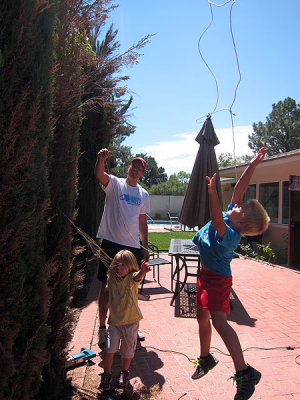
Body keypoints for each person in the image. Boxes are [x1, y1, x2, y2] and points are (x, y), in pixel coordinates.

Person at [191, 148, 270, 400]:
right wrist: (253, 164)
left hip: (218, 280)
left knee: (219, 322)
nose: (238, 203)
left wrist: (212, 192)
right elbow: (239, 189)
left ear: (243, 223)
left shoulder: (231, 234)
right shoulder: (231, 215)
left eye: (243, 207)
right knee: (201, 316)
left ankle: (245, 373)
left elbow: (215, 221)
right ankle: (205, 358)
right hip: (206, 275)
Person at [95, 148, 150, 348]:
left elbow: (142, 223)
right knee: (106, 287)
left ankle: (131, 325)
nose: (135, 170)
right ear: (129, 168)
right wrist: (100, 160)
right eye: (133, 166)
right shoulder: (115, 184)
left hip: (132, 248)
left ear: (142, 173)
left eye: (139, 168)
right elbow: (100, 175)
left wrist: (144, 246)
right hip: (110, 244)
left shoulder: (143, 194)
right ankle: (102, 329)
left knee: (131, 289)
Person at [99, 250, 151, 390]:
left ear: (130, 266)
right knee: (109, 349)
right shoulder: (112, 279)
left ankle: (125, 372)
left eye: (123, 265)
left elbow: (137, 276)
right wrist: (105, 305)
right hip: (115, 322)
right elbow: (109, 293)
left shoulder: (131, 279)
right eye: (117, 264)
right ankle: (106, 374)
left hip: (130, 322)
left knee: (127, 351)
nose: (119, 268)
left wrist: (143, 271)